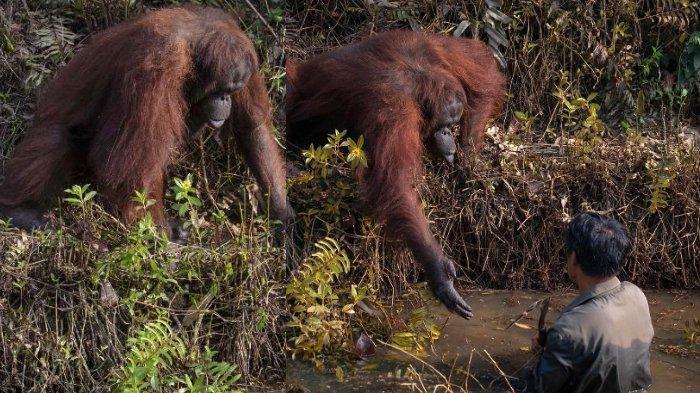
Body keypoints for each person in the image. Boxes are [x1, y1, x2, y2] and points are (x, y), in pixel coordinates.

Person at [525, 212, 654, 393]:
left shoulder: (569, 328)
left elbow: (537, 389)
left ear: (574, 258)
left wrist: (539, 358)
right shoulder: (636, 295)